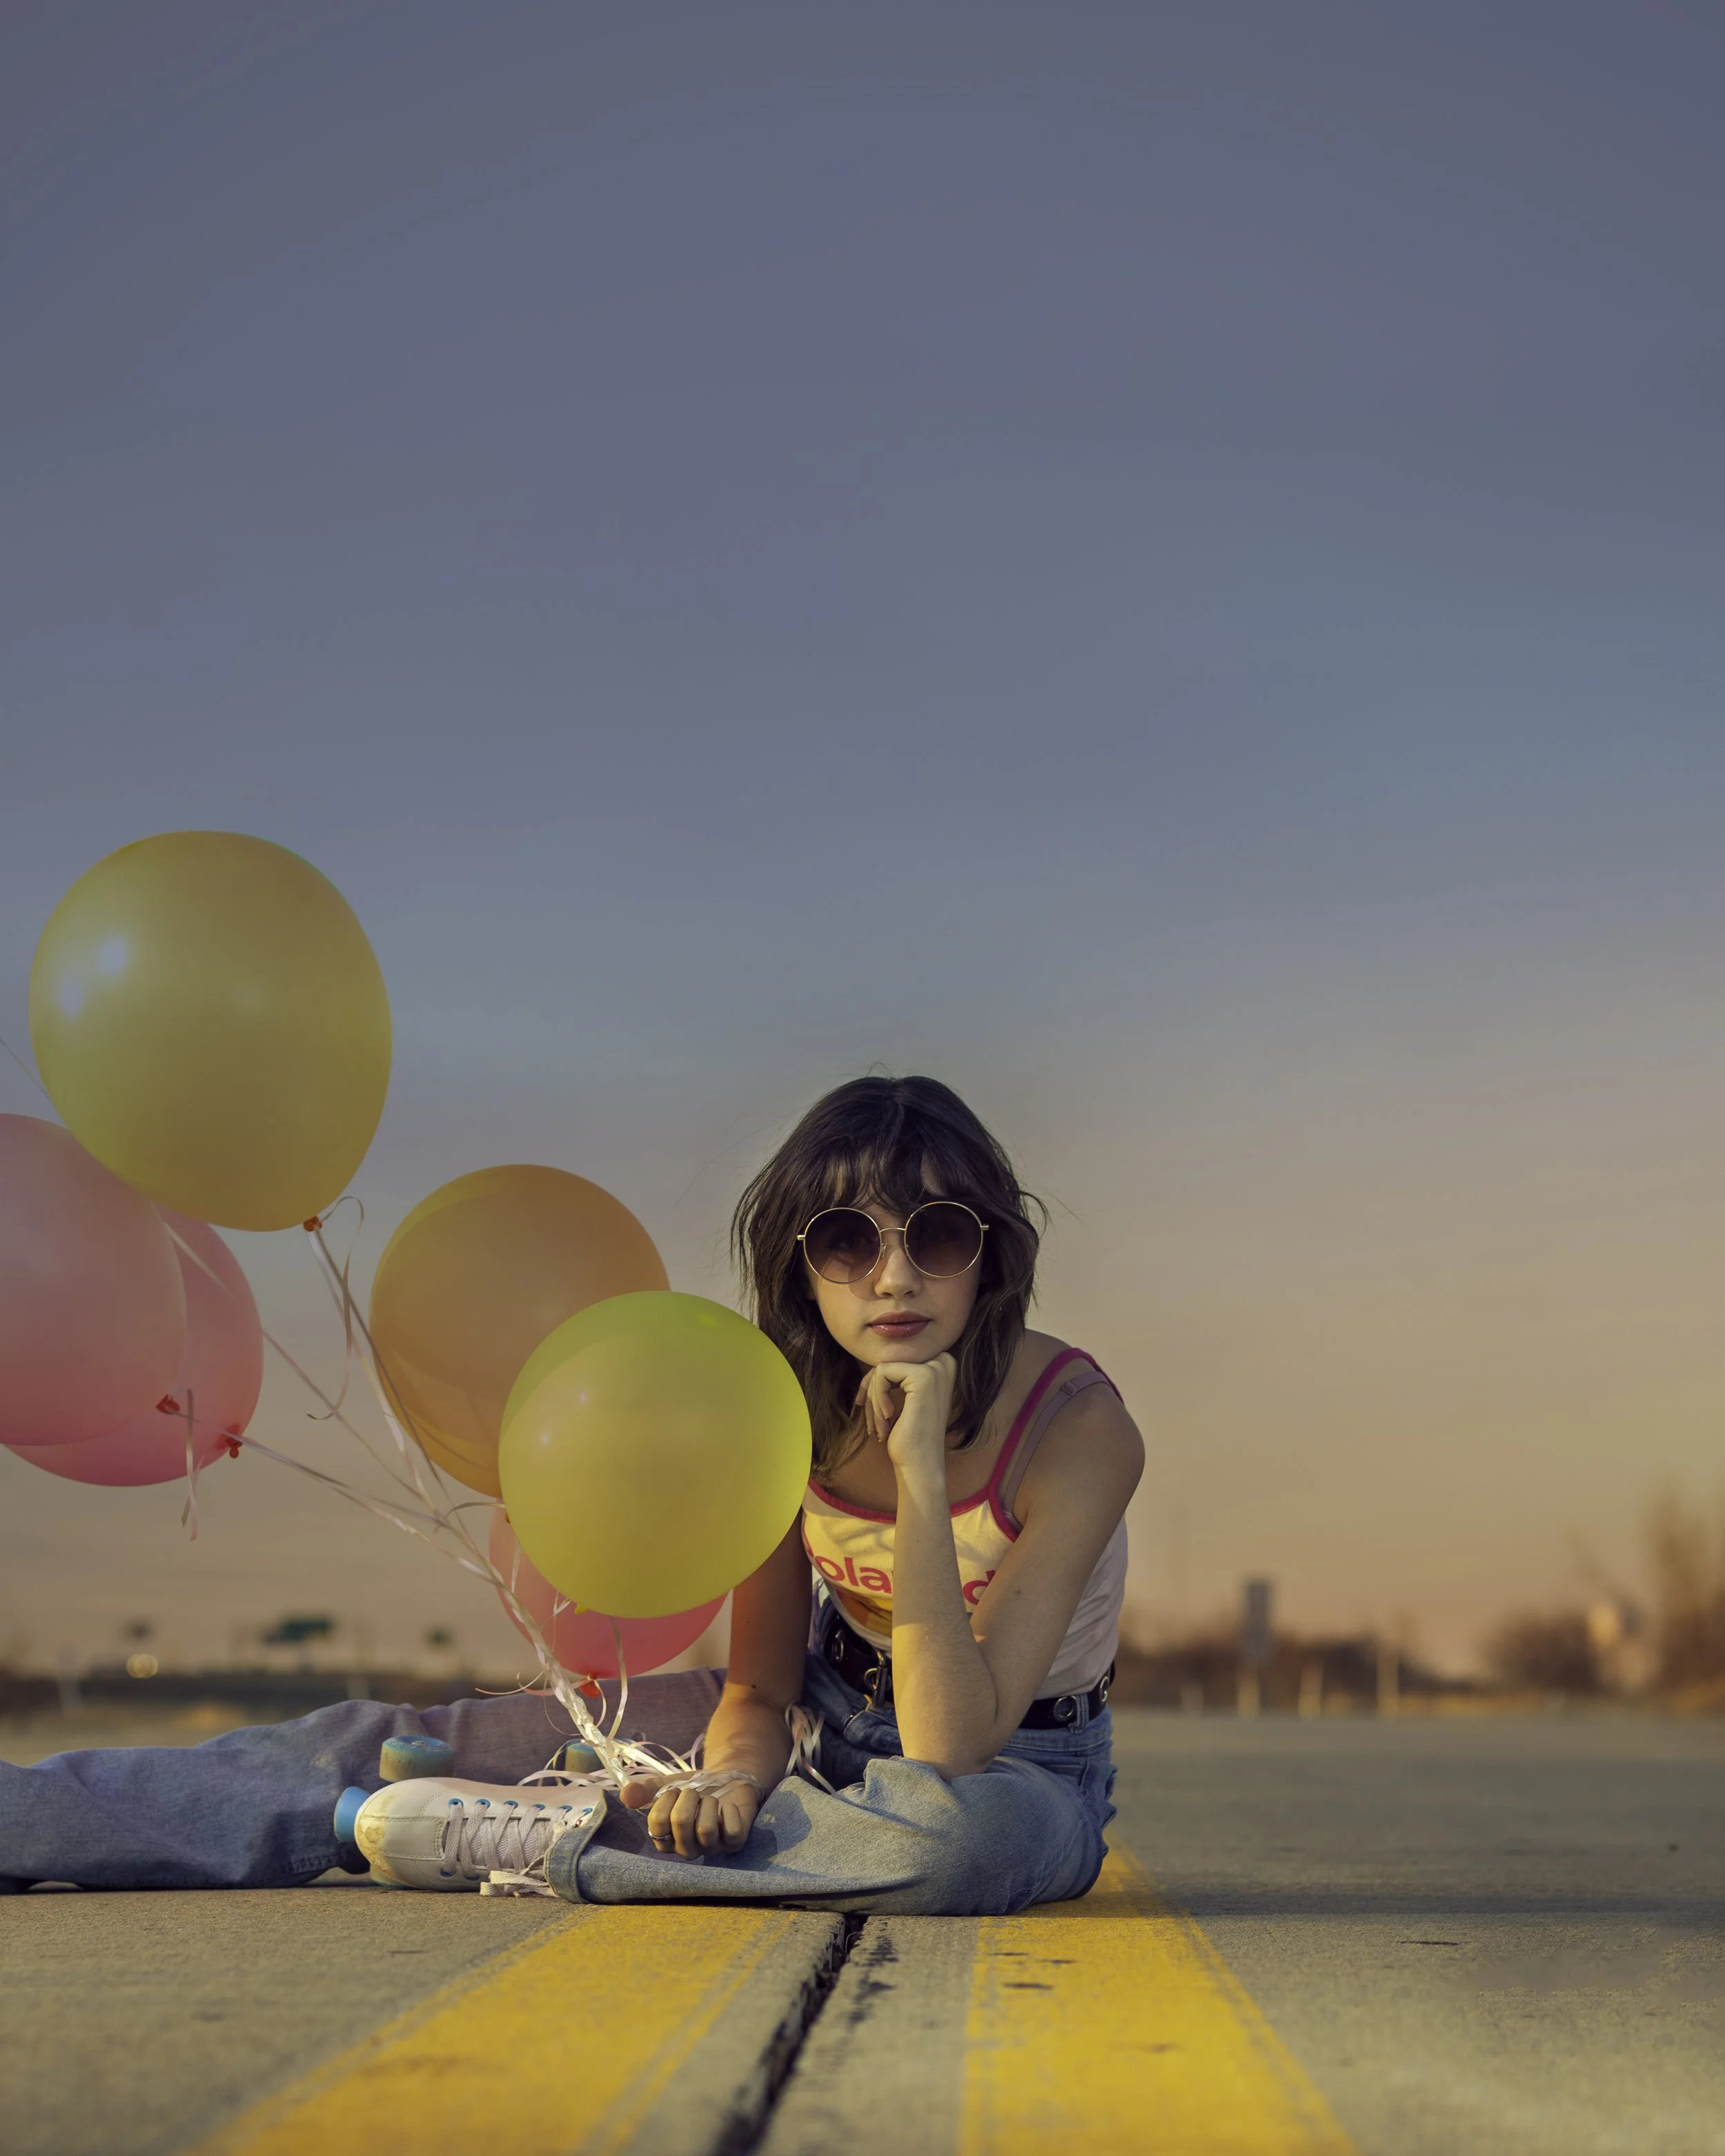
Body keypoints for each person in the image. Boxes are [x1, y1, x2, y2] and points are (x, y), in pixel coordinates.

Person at [2, 1075, 1142, 1914]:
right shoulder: (779, 1402)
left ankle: (547, 1843)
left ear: (992, 1256)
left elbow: (950, 1747)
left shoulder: (1078, 1433)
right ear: (801, 1267)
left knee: (958, 1847)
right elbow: (758, 1687)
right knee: (395, 1744)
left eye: (938, 1236)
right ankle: (32, 1814)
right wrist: (733, 1782)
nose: (894, 1277)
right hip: (816, 1722)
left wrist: (920, 1474)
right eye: (848, 1239)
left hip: (1021, 1766)